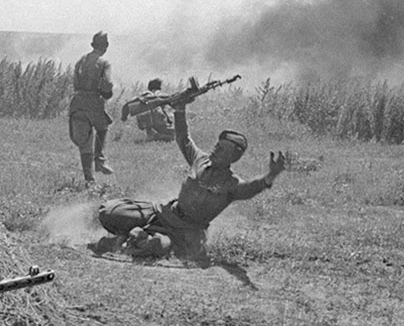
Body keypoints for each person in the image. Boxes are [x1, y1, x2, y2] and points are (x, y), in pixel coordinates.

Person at [92, 96, 286, 260]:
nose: (216, 149)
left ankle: (133, 239)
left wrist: (271, 175)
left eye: (223, 149)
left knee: (156, 245)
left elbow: (252, 188)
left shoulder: (232, 184)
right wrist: (180, 108)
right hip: (163, 213)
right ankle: (133, 236)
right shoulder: (200, 160)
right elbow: (183, 138)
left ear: (233, 157)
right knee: (109, 211)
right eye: (218, 145)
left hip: (184, 234)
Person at [69, 31, 115, 183]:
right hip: (94, 102)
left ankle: (89, 180)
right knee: (102, 128)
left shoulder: (80, 61)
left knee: (84, 143)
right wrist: (106, 93)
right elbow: (107, 84)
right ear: (106, 46)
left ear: (92, 45)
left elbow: (75, 81)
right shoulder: (104, 63)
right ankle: (99, 159)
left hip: (77, 102)